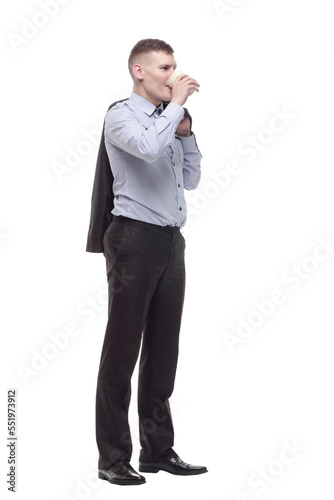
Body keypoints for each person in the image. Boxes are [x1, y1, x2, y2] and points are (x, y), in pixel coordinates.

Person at [87, 38, 207, 486]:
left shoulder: (170, 120)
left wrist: (187, 133)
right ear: (139, 71)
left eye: (174, 67)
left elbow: (191, 179)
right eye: (164, 67)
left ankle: (157, 451)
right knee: (122, 350)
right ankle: (112, 458)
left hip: (170, 242)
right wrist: (176, 107)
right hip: (133, 239)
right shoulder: (120, 115)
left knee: (163, 349)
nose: (173, 75)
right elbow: (148, 150)